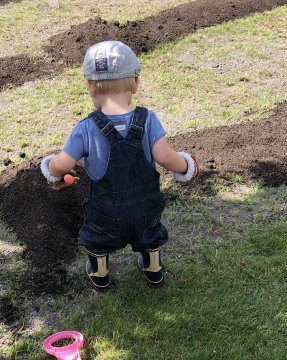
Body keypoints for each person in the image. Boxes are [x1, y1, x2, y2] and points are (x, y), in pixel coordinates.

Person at [41, 40, 198, 291]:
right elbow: (166, 157)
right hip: (146, 206)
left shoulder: (86, 128)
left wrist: (52, 170)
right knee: (150, 234)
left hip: (106, 210)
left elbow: (63, 164)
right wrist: (186, 166)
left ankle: (100, 273)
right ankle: (152, 269)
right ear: (135, 83)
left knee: (97, 239)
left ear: (91, 88)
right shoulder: (148, 120)